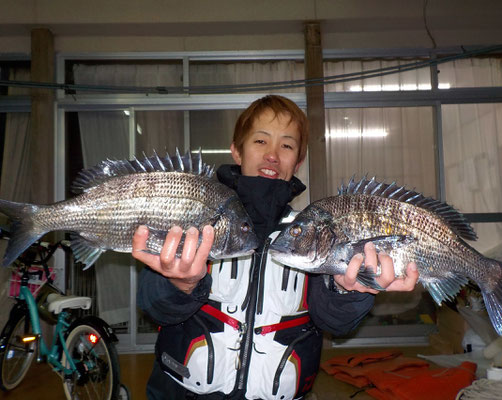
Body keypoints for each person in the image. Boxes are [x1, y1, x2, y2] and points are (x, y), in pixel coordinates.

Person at [133, 95, 419, 400]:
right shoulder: (197, 216)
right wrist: (180, 283)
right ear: (237, 150)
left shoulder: (313, 234)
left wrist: (350, 292)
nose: (272, 155)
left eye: (286, 145)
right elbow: (153, 305)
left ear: (297, 162)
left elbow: (334, 321)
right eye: (260, 141)